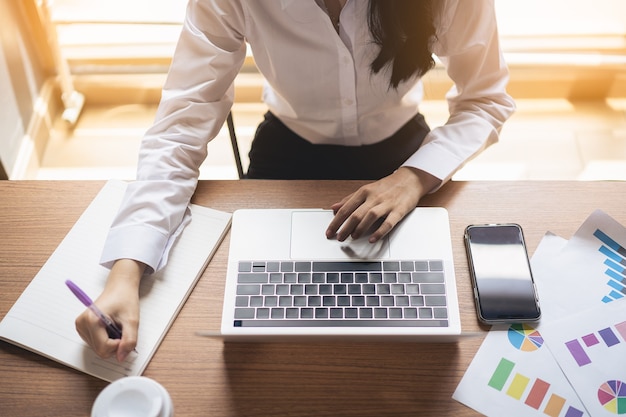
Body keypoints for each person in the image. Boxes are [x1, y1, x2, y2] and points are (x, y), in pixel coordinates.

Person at [75, 0, 515, 361]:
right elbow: (180, 126)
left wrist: (414, 177)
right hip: (288, 147)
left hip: (404, 154)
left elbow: (485, 98)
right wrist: (126, 270)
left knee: (409, 314)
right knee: (259, 319)